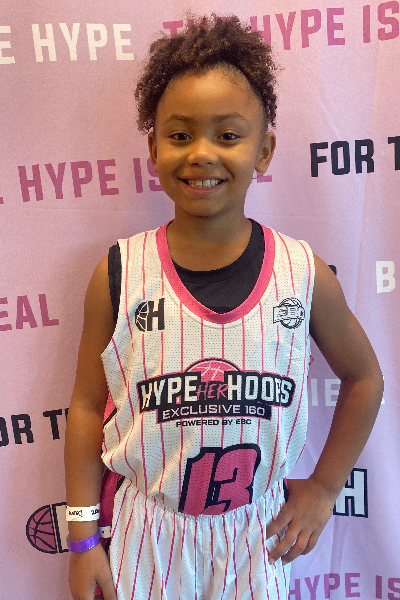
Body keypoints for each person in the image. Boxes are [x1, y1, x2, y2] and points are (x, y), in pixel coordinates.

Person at [64, 15, 383, 600]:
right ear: (154, 147)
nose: (202, 154)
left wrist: (323, 487)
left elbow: (365, 378)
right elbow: (87, 407)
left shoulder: (301, 273)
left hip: (254, 533)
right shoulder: (119, 273)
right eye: (180, 135)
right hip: (147, 531)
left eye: (228, 135)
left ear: (265, 151)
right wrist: (83, 536)